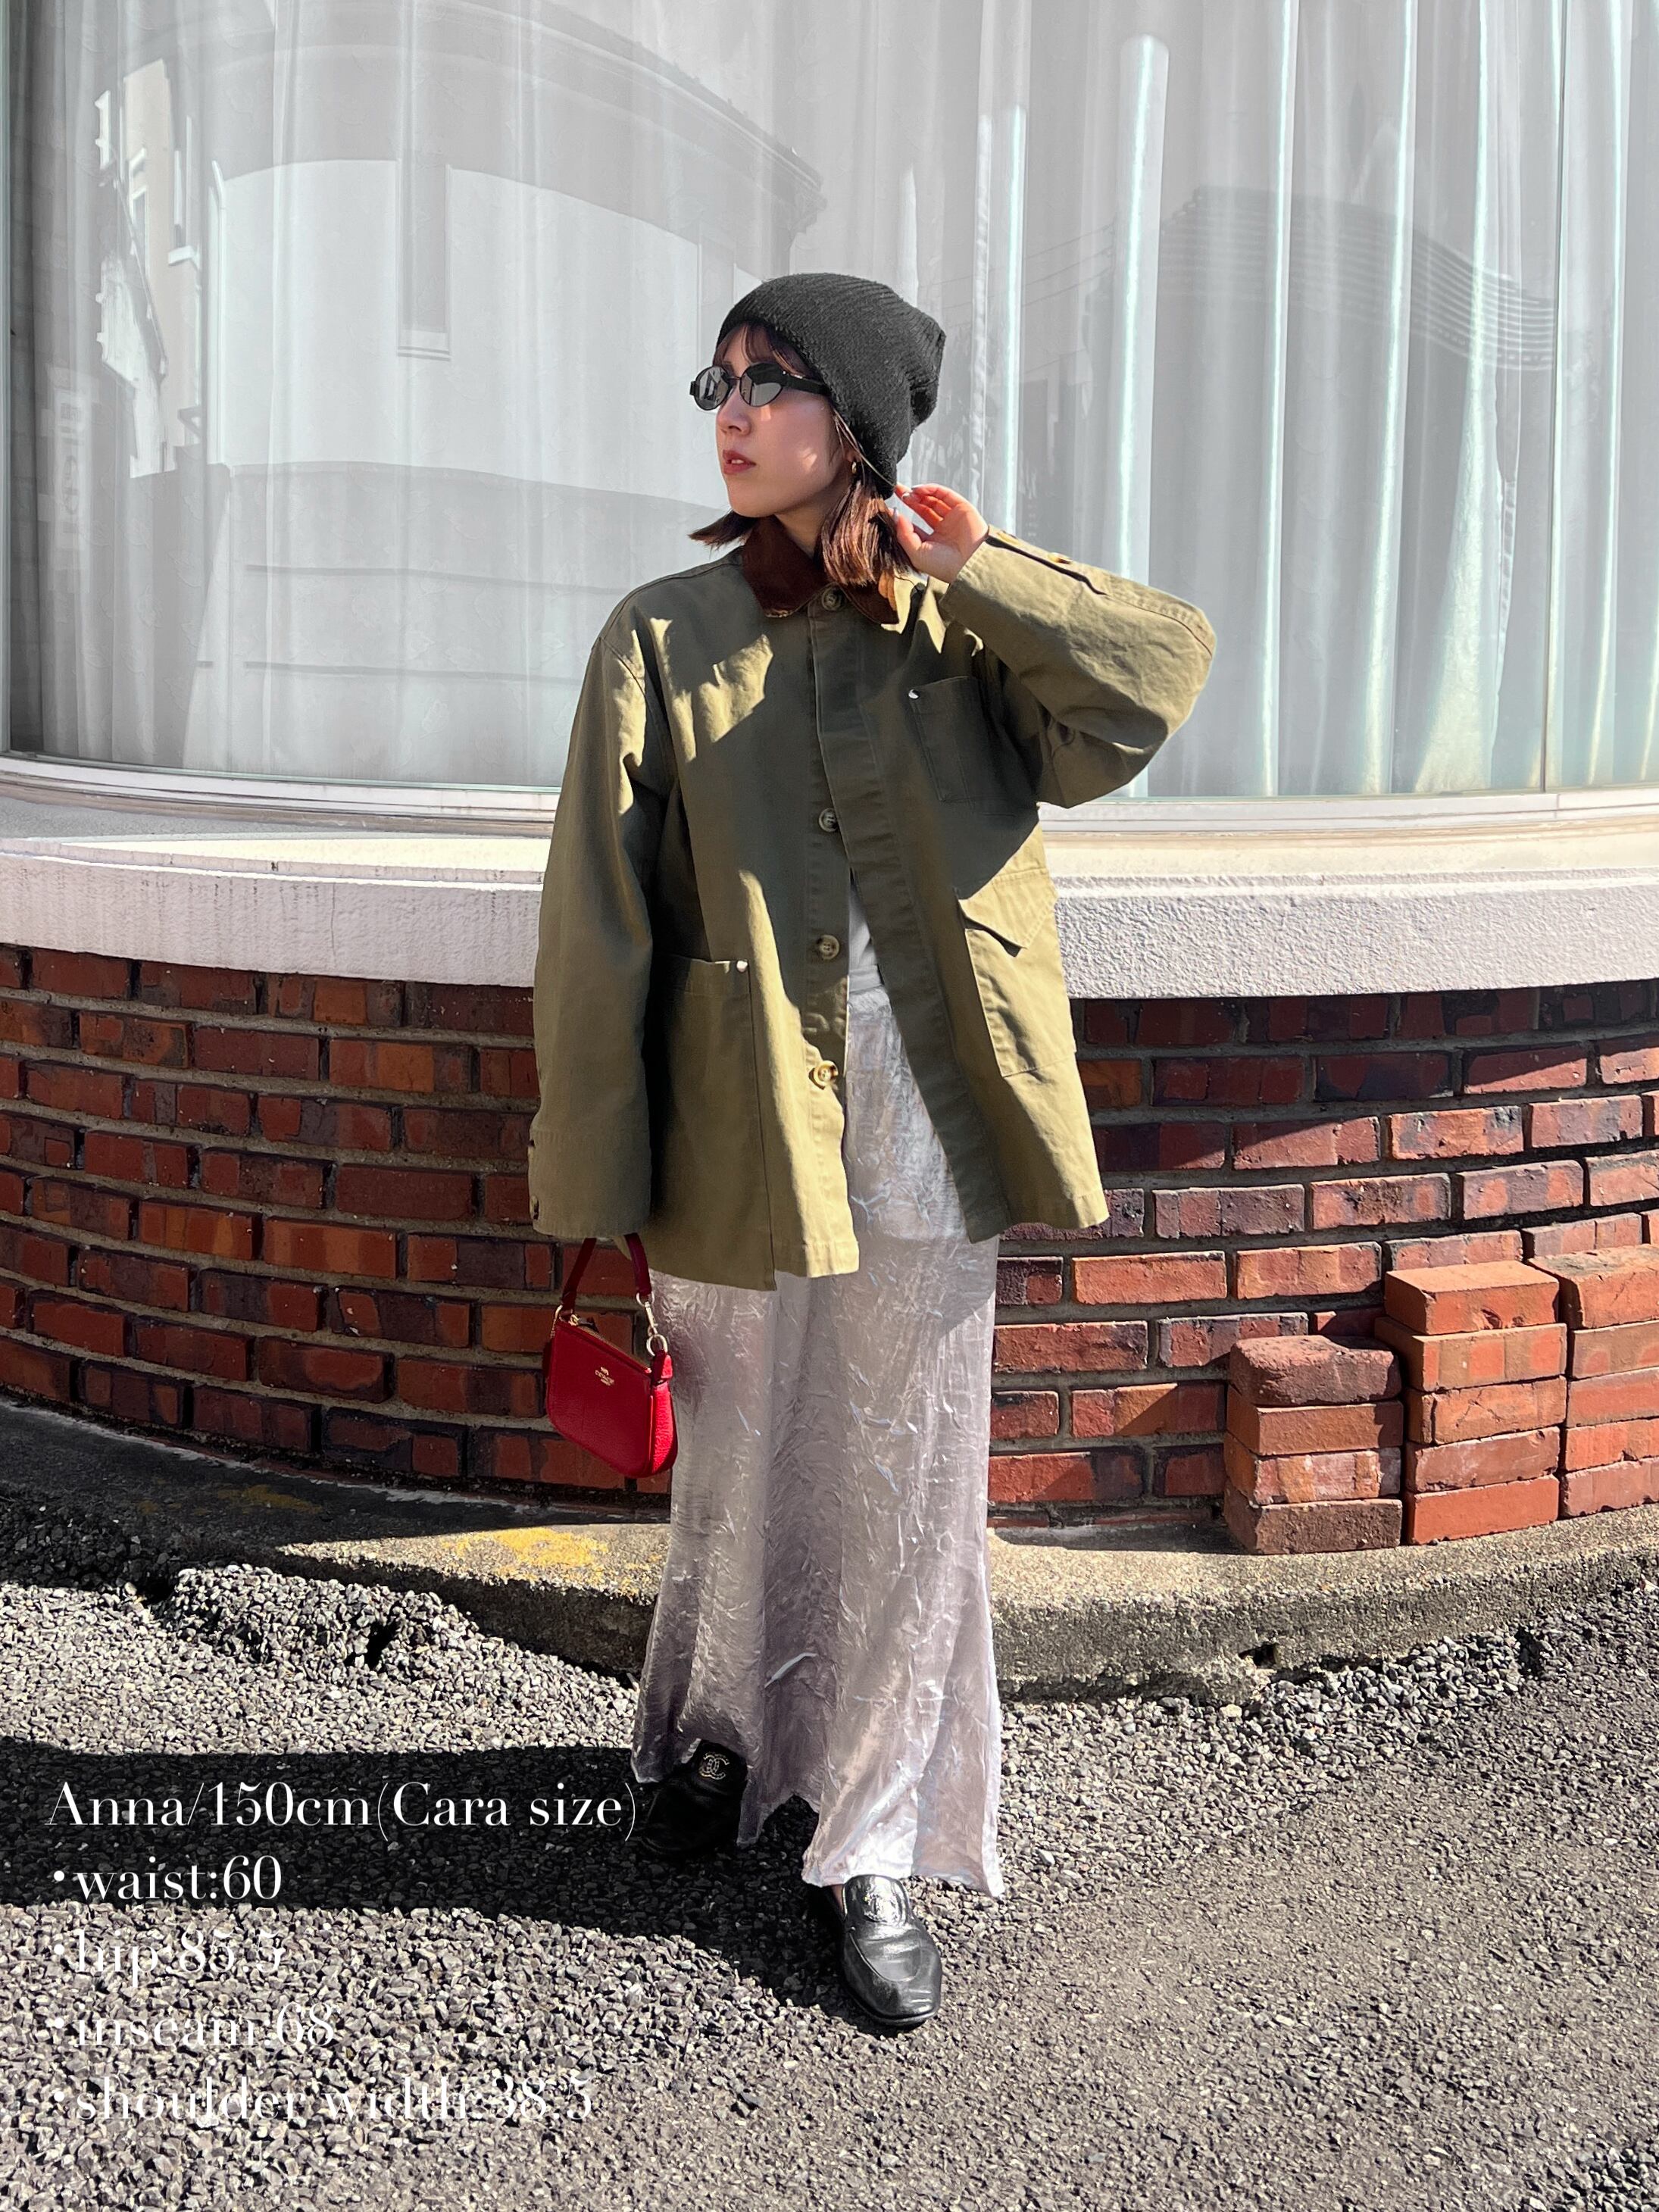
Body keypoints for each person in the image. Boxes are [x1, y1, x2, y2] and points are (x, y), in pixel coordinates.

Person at [528, 271, 1217, 2029]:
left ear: (857, 423)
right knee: (742, 1455)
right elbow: (597, 923)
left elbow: (1155, 681)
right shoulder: (663, 635)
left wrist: (983, 567)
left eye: (772, 382)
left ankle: (880, 1837)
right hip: (742, 1115)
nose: (732, 413)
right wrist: (600, 1178)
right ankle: (717, 1730)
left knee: (913, 1482)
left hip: (926, 1118)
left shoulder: (961, 632)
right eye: (719, 382)